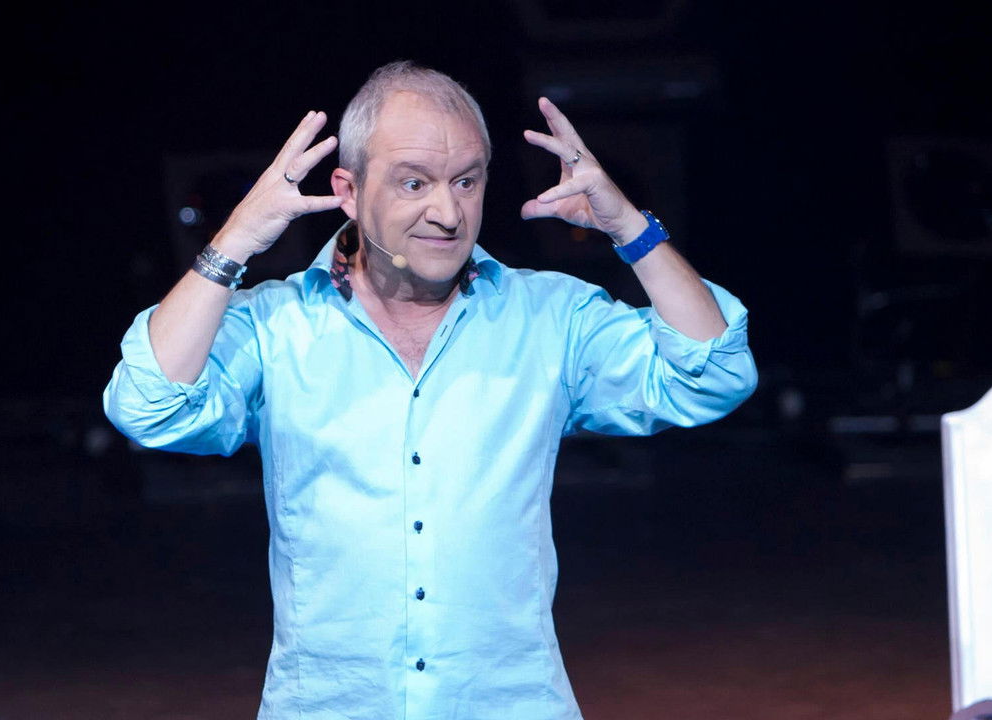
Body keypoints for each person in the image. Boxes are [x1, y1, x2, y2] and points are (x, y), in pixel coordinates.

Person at [104, 61, 756, 720]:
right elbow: (148, 405)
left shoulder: (549, 318)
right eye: (414, 182)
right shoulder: (278, 326)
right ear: (348, 191)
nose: (447, 214)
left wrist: (632, 230)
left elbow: (711, 375)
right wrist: (237, 239)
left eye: (466, 182)